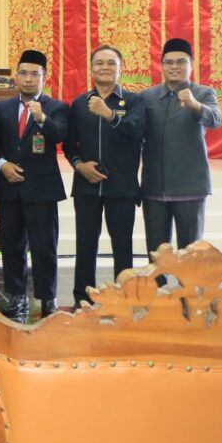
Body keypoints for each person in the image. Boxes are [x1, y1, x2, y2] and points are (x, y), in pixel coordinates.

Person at [0, 50, 69, 322]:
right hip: (10, 187)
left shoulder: (56, 107)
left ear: (44, 78)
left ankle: (48, 298)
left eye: (35, 74)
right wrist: (2, 164)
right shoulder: (2, 108)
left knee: (44, 246)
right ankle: (16, 296)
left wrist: (43, 119)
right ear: (16, 77)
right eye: (23, 73)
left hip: (41, 189)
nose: (28, 79)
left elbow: (60, 135)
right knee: (11, 245)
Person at [66, 45, 145, 306]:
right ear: (91, 68)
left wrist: (109, 114)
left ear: (121, 68)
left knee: (122, 247)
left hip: (121, 188)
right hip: (86, 187)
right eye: (99, 63)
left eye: (111, 63)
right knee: (85, 245)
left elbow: (136, 132)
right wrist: (79, 166)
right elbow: (69, 145)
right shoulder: (80, 103)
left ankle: (124, 300)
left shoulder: (134, 101)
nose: (105, 68)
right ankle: (82, 300)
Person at [140, 37, 222, 261]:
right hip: (154, 186)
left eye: (181, 61)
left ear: (191, 65)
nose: (174, 67)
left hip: (190, 186)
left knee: (190, 255)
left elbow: (216, 120)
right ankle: (158, 284)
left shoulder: (204, 93)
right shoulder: (147, 96)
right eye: (169, 62)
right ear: (161, 65)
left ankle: (189, 286)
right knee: (157, 255)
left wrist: (195, 105)